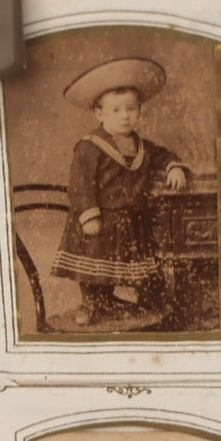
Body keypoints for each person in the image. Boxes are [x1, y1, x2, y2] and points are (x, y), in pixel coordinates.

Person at [49, 57, 191, 327]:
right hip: (99, 220)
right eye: (116, 110)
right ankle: (91, 303)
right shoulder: (90, 146)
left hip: (128, 221)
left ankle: (113, 301)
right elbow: (80, 184)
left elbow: (163, 155)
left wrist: (174, 167)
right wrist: (89, 215)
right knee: (94, 266)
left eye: (131, 109)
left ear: (139, 112)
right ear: (99, 114)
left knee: (121, 267)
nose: (125, 115)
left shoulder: (142, 146)